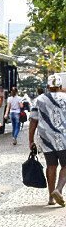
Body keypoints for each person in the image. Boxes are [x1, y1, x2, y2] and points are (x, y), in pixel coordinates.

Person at [28, 74, 66, 206]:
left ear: (48, 86)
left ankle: (51, 198)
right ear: (60, 86)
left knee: (51, 165)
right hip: (64, 137)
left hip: (46, 138)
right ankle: (58, 190)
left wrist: (30, 140)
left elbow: (33, 120)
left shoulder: (39, 99)